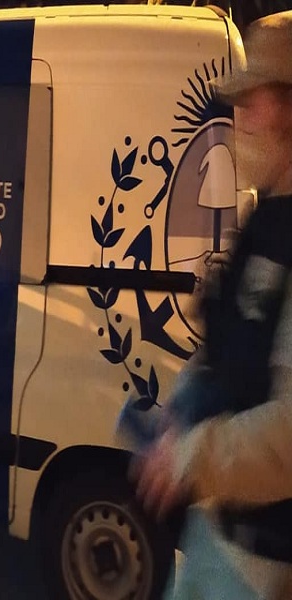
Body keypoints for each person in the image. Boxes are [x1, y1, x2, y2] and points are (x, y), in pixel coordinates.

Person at [132, 10, 292, 600]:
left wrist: (189, 459)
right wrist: (184, 406)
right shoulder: (269, 214)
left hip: (262, 564)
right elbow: (231, 343)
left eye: (255, 99)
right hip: (221, 537)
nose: (239, 116)